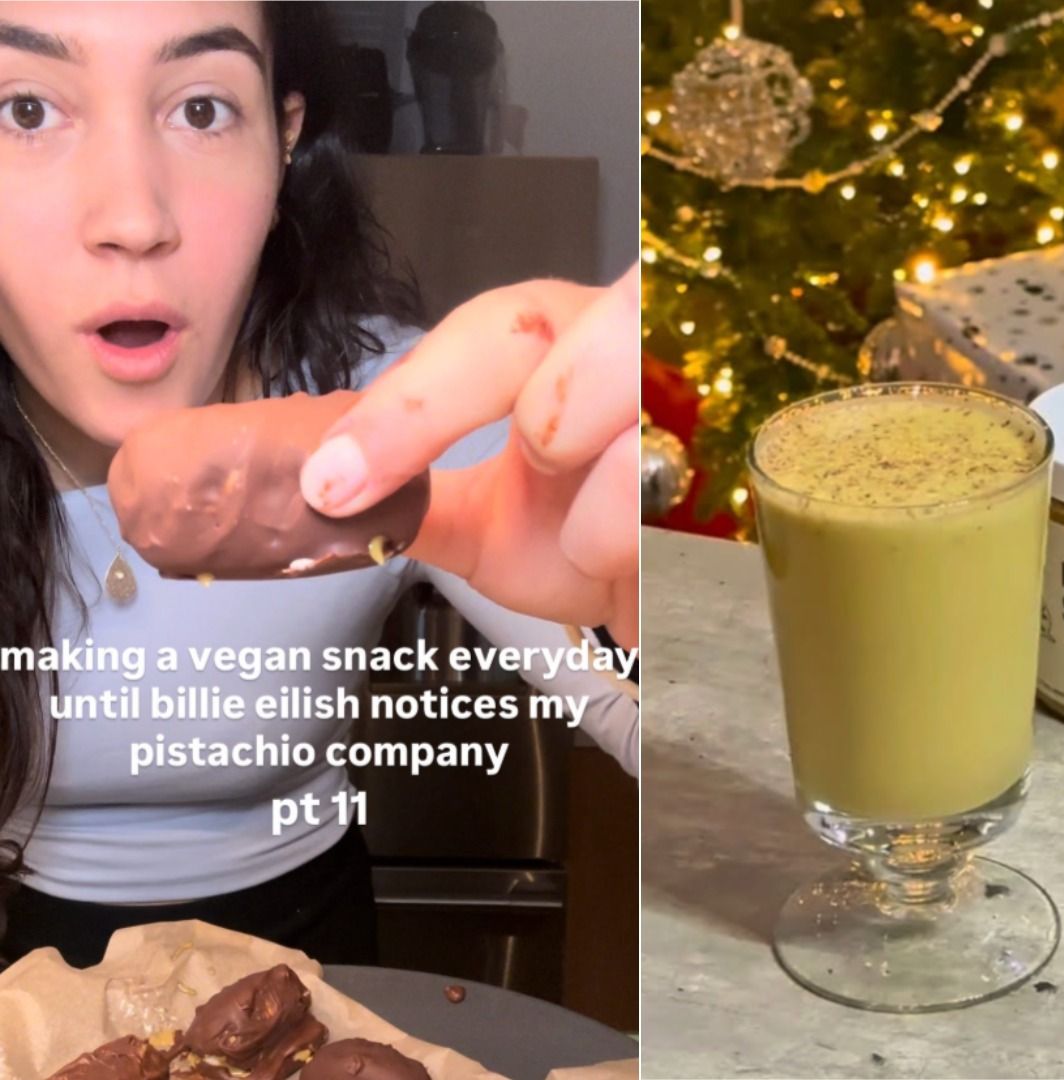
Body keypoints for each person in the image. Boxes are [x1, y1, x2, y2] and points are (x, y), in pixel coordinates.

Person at [0, 2, 637, 966]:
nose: (132, 219)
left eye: (203, 111)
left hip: (315, 958)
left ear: (283, 141)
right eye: (26, 111)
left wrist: (652, 615)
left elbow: (661, 732)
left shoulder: (397, 415)